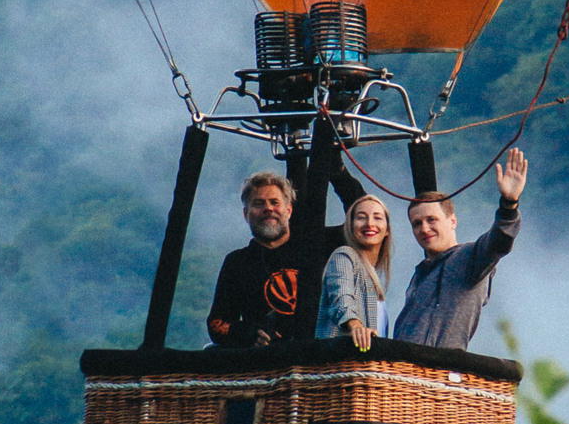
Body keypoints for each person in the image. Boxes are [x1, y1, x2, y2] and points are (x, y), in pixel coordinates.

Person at [206, 149, 366, 347]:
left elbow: (364, 219)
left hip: (321, 359)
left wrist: (338, 173)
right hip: (270, 365)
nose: (268, 209)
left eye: (275, 202)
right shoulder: (237, 262)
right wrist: (248, 333)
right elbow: (216, 323)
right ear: (246, 214)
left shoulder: (317, 243)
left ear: (288, 210)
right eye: (259, 203)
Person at [392, 146, 527, 350]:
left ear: (452, 221)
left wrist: (509, 204)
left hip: (437, 371)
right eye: (417, 223)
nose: (424, 228)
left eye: (432, 219)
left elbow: (499, 242)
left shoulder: (468, 258)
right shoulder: (420, 274)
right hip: (403, 371)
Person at [315, 194, 391, 351]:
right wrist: (355, 325)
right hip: (340, 367)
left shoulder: (373, 277)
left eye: (377, 218)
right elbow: (341, 297)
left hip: (368, 371)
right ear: (350, 226)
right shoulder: (343, 256)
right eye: (361, 217)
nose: (369, 223)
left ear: (387, 230)